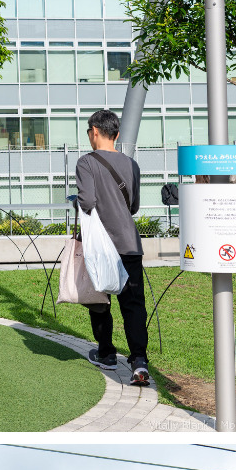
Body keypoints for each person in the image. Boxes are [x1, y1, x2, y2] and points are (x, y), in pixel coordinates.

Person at [74, 108, 149, 386]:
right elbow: (134, 206)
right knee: (133, 305)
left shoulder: (86, 163)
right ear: (116, 134)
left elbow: (87, 202)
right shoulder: (132, 165)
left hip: (101, 247)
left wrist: (77, 201)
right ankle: (139, 360)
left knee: (99, 300)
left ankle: (106, 352)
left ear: (94, 132)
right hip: (129, 244)